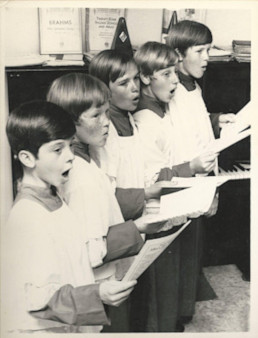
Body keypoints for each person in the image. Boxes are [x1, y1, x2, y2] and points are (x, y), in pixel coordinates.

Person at [46, 73, 169, 332]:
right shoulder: (82, 178)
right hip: (99, 285)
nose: (106, 123)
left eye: (106, 112)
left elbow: (104, 203)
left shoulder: (81, 161)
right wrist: (139, 228)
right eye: (96, 116)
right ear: (67, 122)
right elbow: (92, 252)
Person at [2, 101, 138, 334]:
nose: (70, 156)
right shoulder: (27, 218)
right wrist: (97, 294)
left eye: (70, 146)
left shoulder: (55, 198)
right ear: (27, 158)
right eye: (57, 149)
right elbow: (38, 300)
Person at [131, 41, 218, 332]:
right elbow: (151, 178)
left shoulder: (160, 109)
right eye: (167, 74)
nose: (175, 81)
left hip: (173, 202)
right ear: (145, 78)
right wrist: (190, 168)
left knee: (172, 278)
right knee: (161, 287)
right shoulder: (146, 119)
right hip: (159, 208)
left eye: (174, 73)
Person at [166, 20, 236, 323]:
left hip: (201, 172)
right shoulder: (173, 87)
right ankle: (178, 312)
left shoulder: (193, 84)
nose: (207, 57)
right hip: (185, 174)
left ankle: (186, 303)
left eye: (209, 49)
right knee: (182, 244)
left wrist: (218, 119)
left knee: (194, 242)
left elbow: (198, 118)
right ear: (179, 54)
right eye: (201, 50)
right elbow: (176, 133)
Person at [88, 49, 163, 222]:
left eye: (136, 78)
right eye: (124, 83)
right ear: (103, 89)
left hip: (135, 217)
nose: (135, 88)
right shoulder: (104, 132)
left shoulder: (128, 117)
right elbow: (106, 194)